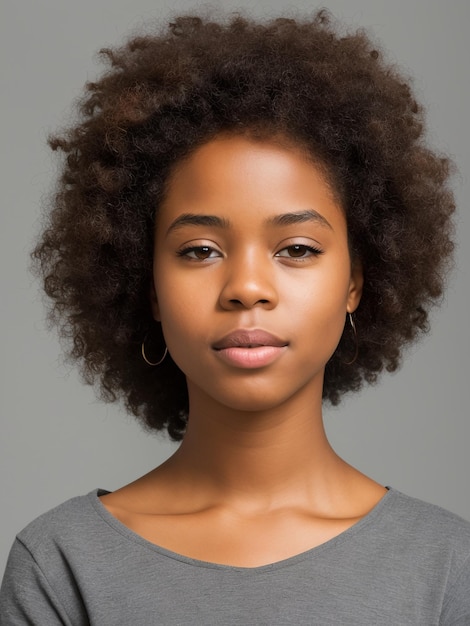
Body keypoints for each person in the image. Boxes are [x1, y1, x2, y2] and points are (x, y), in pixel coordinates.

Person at [1, 10, 468, 625]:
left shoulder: (445, 565)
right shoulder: (63, 565)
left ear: (355, 281)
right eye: (200, 251)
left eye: (296, 249)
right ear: (149, 289)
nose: (247, 288)